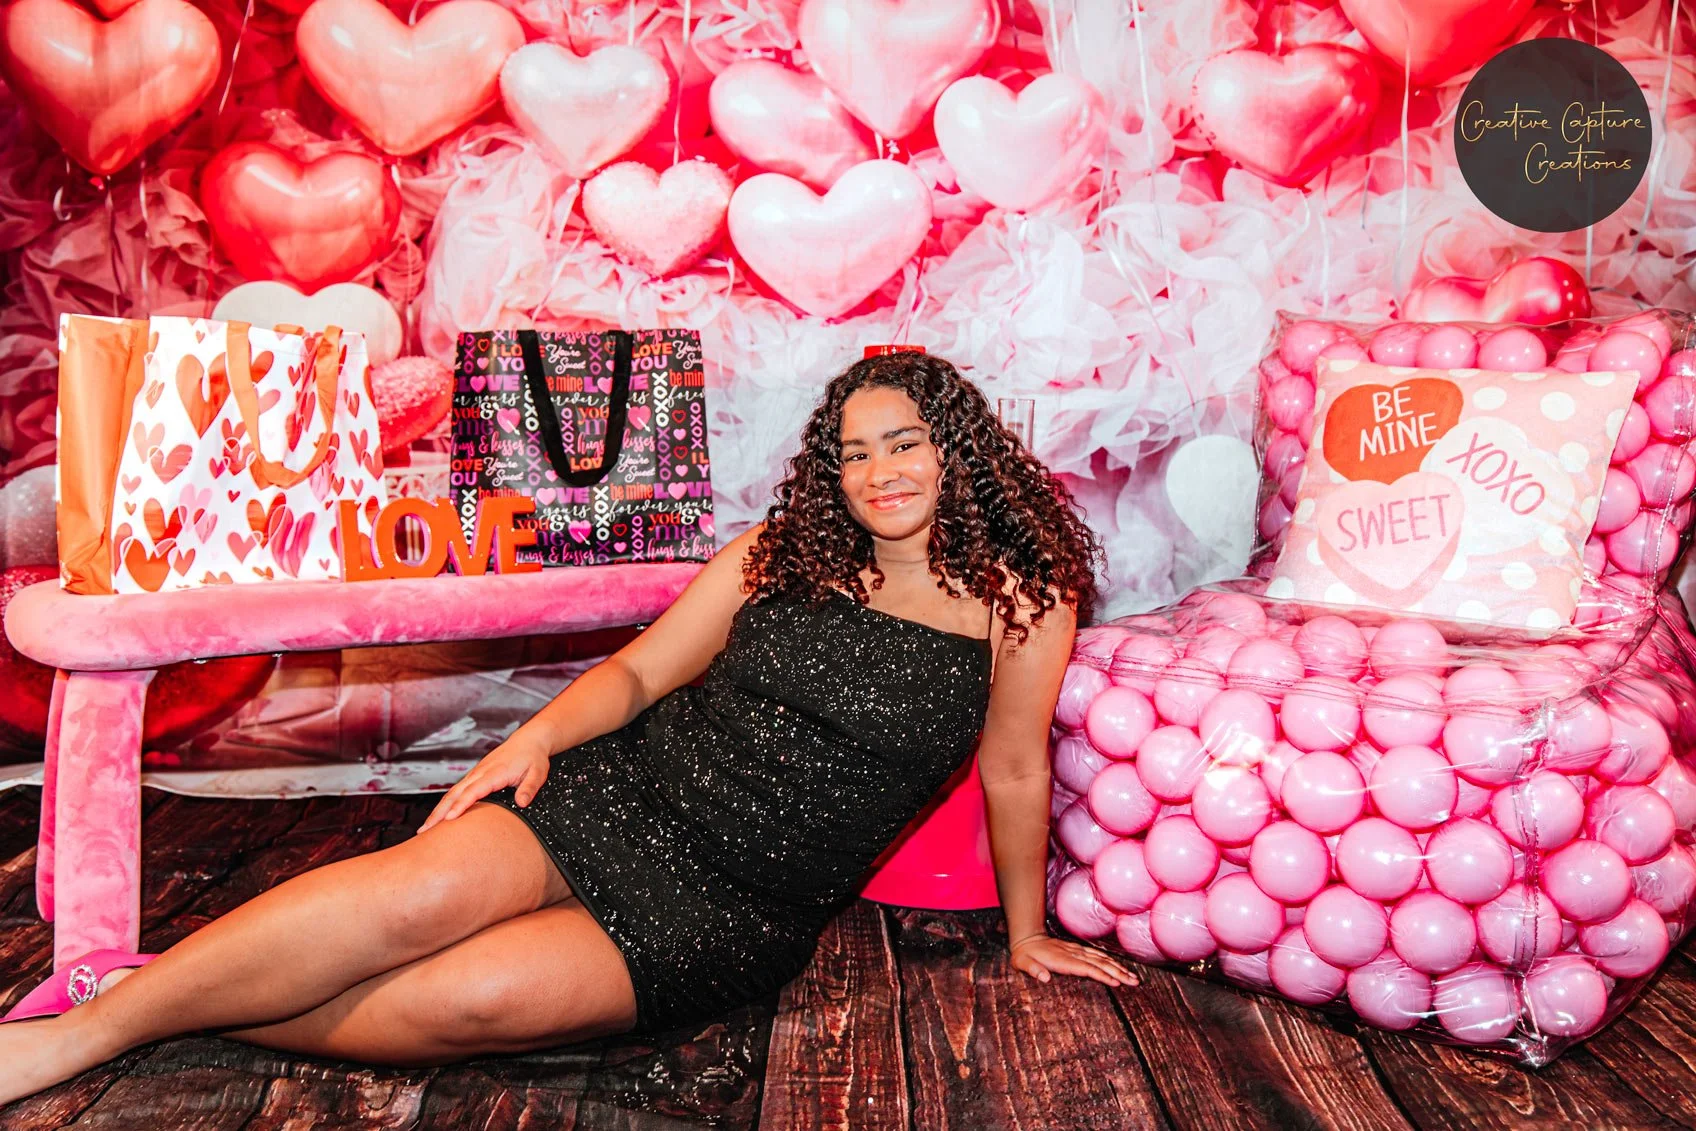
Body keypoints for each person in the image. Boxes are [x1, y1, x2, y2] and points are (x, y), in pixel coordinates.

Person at [0, 351, 1136, 1106]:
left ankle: (160, 997)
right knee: (413, 900)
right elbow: (638, 674)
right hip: (623, 792)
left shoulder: (1022, 599)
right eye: (852, 451)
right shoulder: (777, 553)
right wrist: (528, 742)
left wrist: (1025, 932)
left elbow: (1014, 770)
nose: (877, 472)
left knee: (474, 1000)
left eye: (902, 442)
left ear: (956, 446)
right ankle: (91, 1030)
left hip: (741, 906)